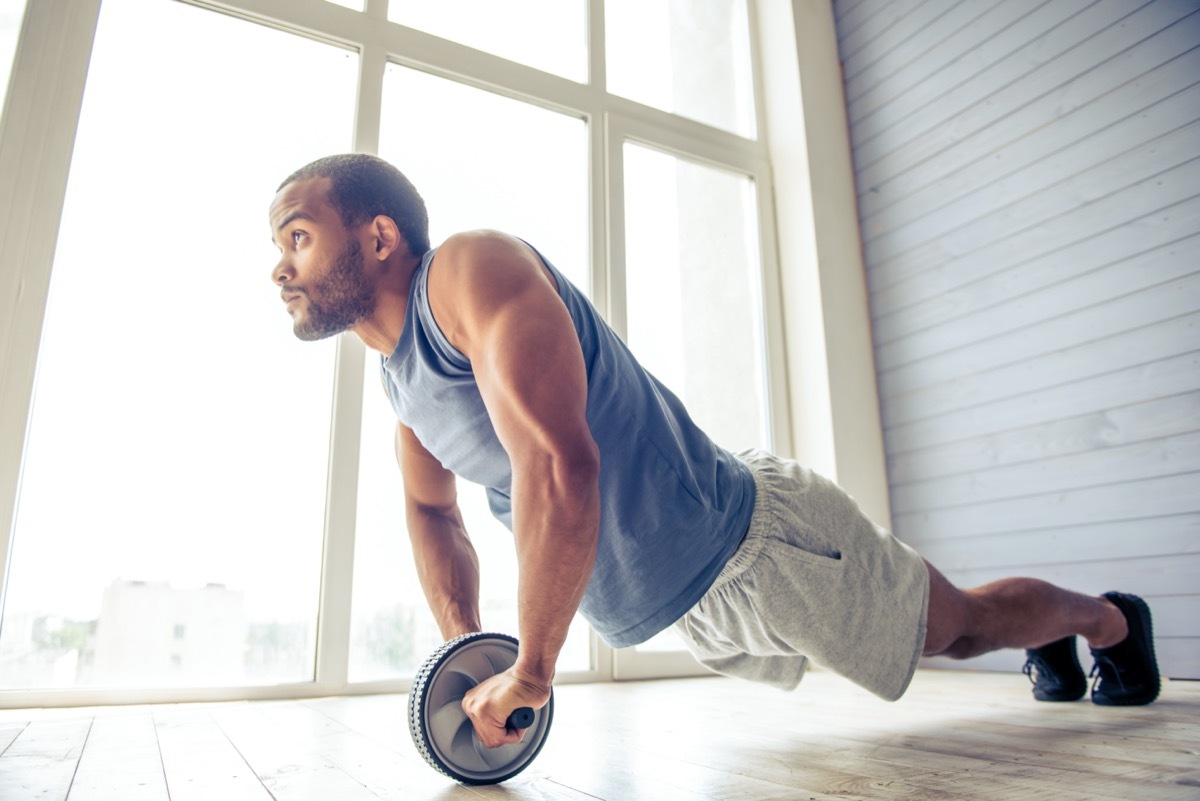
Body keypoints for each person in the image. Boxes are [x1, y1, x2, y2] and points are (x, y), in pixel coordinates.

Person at [267, 154, 1161, 748]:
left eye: (298, 236)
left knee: (956, 628)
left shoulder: (465, 273)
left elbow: (558, 465)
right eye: (278, 248)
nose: (280, 267)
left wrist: (533, 669)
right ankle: (1054, 634)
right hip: (694, 602)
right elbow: (431, 510)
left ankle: (1106, 621)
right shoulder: (402, 392)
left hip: (758, 549)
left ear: (378, 237)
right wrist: (469, 649)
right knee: (947, 629)